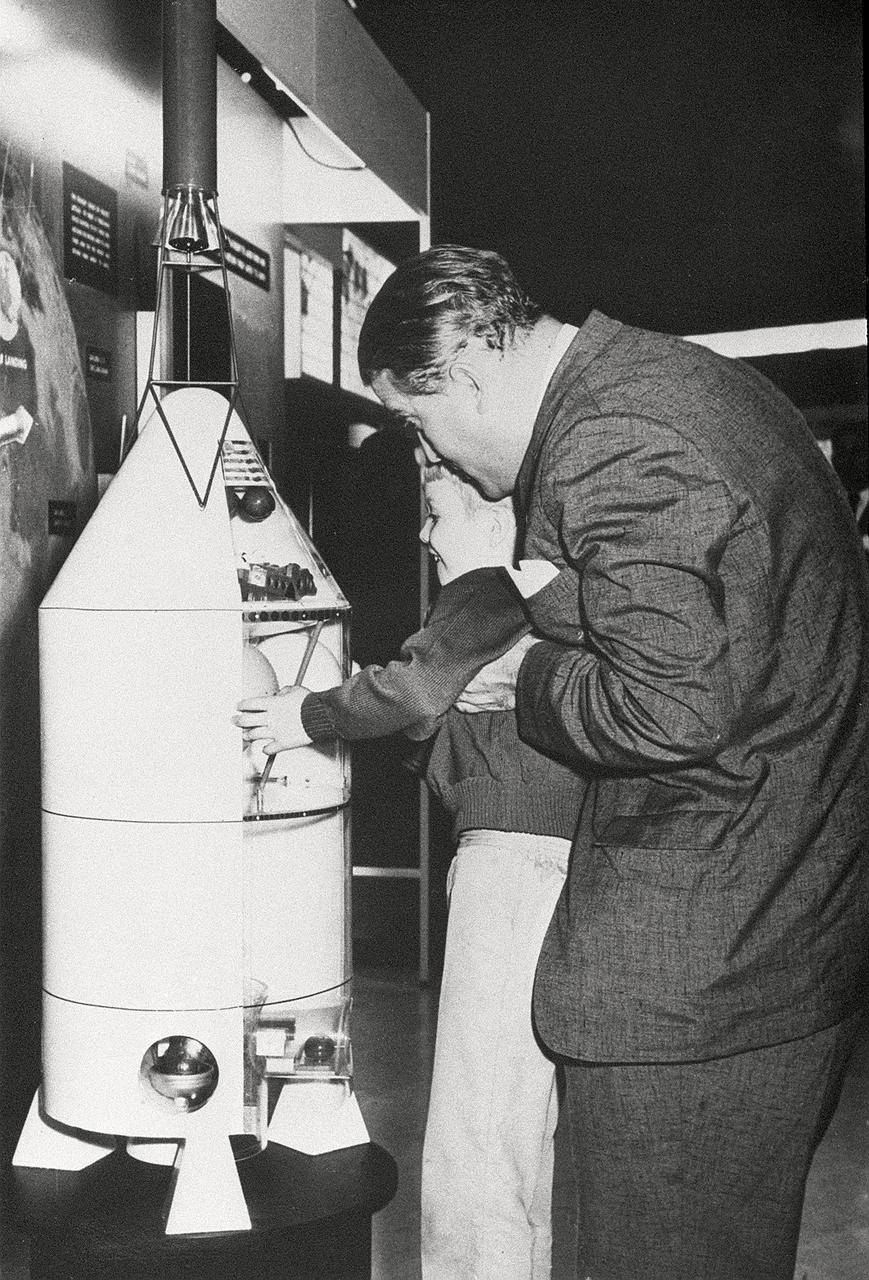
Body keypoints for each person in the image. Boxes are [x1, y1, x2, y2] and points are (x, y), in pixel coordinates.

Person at [353, 244, 869, 1280]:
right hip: (775, 924)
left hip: (702, 968)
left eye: (419, 421)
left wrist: (517, 675)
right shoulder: (675, 384)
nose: (438, 458)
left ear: (463, 370)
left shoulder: (612, 438)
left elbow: (666, 704)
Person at [236, 460, 588, 1280]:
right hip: (547, 861)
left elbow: (417, 689)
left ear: (503, 515)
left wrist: (302, 714)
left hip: (509, 865)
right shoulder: (542, 601)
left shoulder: (486, 590)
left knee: (476, 1131)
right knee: (513, 1126)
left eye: (436, 510)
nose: (425, 535)